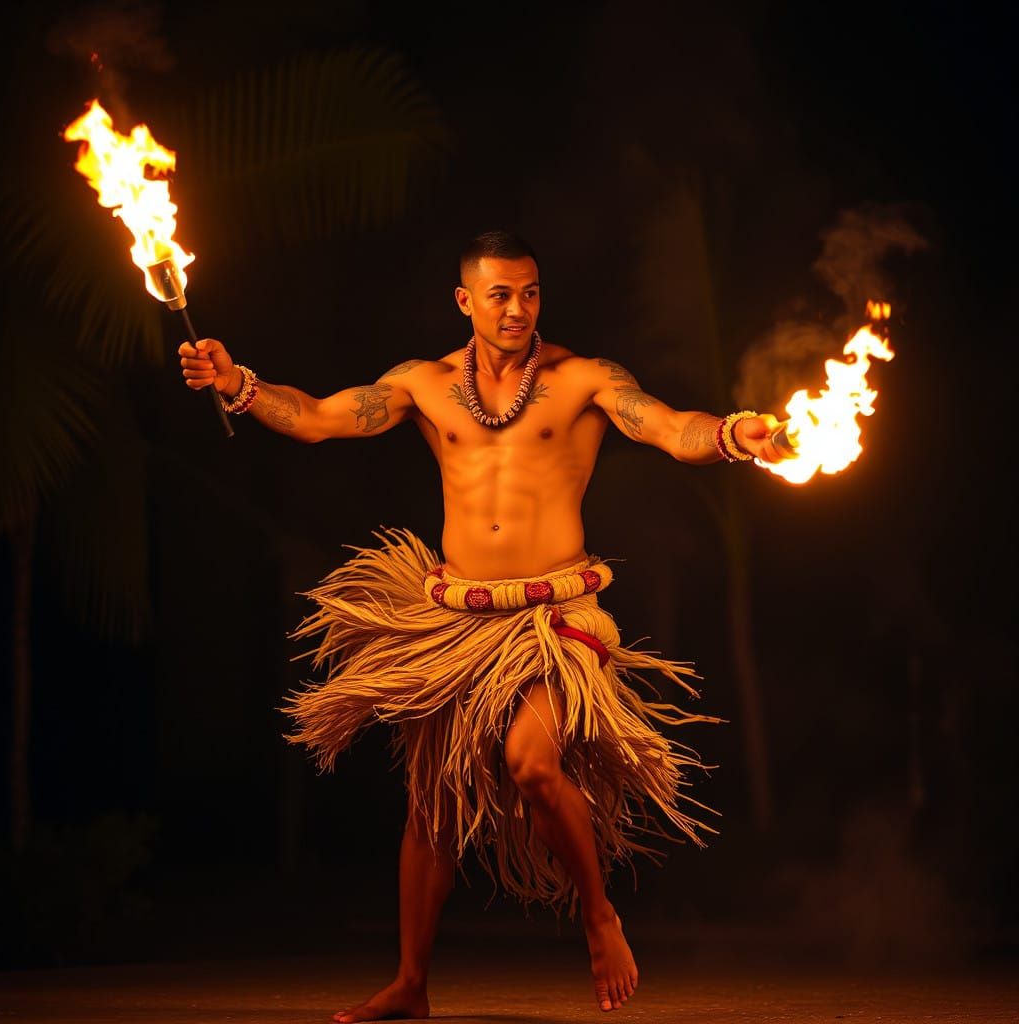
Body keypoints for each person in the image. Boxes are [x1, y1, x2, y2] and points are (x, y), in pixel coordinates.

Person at [178, 230, 793, 1021]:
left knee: (531, 765)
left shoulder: (583, 379)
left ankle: (600, 917)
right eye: (499, 295)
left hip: (554, 619)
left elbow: (667, 427)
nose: (517, 308)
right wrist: (237, 385)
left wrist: (735, 434)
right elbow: (321, 419)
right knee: (432, 806)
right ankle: (411, 983)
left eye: (530, 292)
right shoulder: (424, 385)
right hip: (457, 621)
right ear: (465, 301)